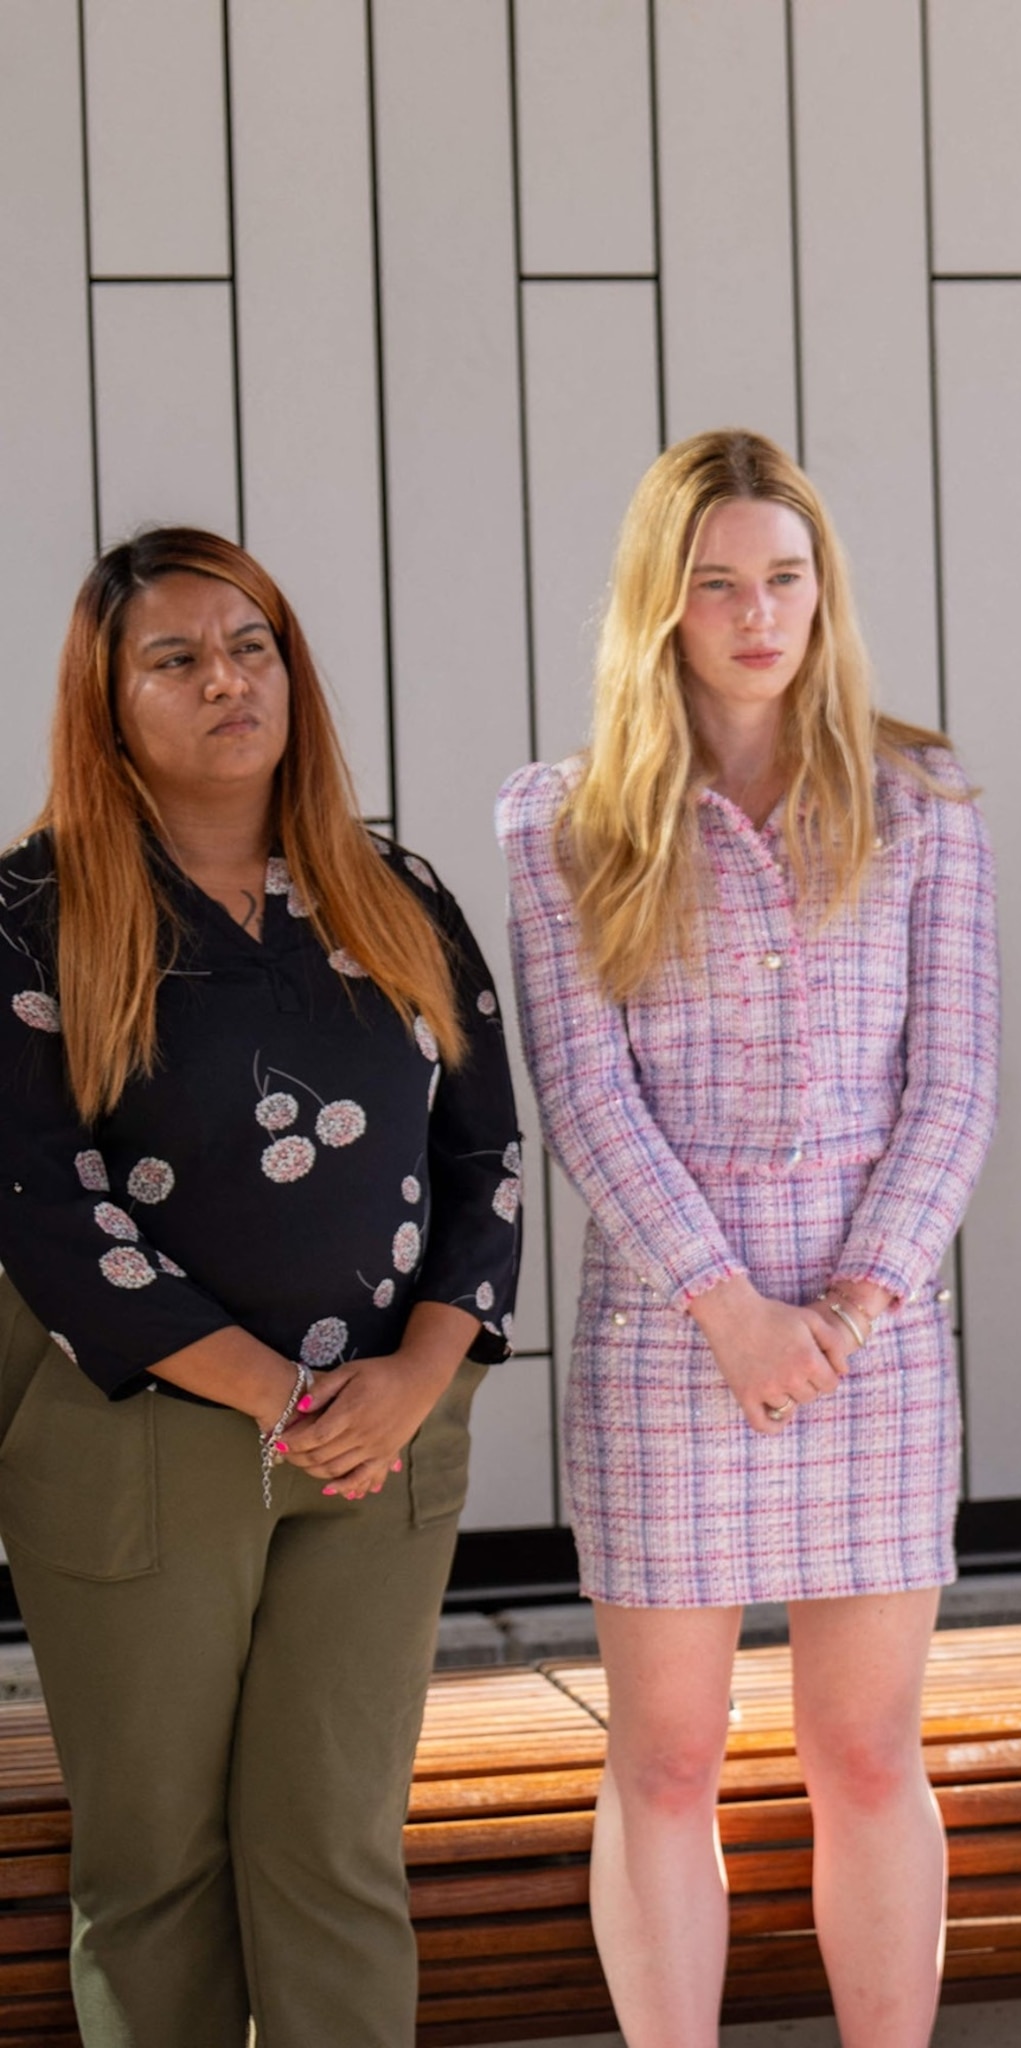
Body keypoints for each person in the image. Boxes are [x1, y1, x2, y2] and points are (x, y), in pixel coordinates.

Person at [498, 429, 997, 2047]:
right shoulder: (566, 824)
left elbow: (955, 1079)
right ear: (663, 604)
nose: (758, 612)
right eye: (718, 582)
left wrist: (844, 1306)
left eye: (786, 578)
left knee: (864, 1751)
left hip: (876, 1333)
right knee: (665, 1755)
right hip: (671, 1339)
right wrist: (732, 1312)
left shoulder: (921, 803)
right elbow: (587, 1097)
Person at [0, 528, 521, 2043]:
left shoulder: (393, 890)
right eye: (177, 657)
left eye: (252, 646)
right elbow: (44, 1205)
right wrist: (276, 1396)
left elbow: (484, 1160)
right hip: (143, 1447)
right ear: (106, 704)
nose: (228, 679)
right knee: (156, 1867)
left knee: (336, 1856)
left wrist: (414, 1382)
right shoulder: (33, 916)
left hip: (385, 1446)